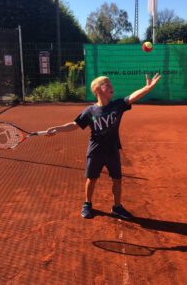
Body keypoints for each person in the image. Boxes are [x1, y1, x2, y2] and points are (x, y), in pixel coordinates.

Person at [46, 73, 161, 219]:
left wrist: (147, 87)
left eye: (111, 85)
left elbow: (133, 97)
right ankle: (87, 204)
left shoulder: (117, 106)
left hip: (112, 150)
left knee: (117, 180)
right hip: (95, 151)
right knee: (91, 179)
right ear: (98, 90)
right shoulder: (90, 111)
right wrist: (57, 129)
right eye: (108, 85)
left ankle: (117, 207)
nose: (112, 87)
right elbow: (75, 125)